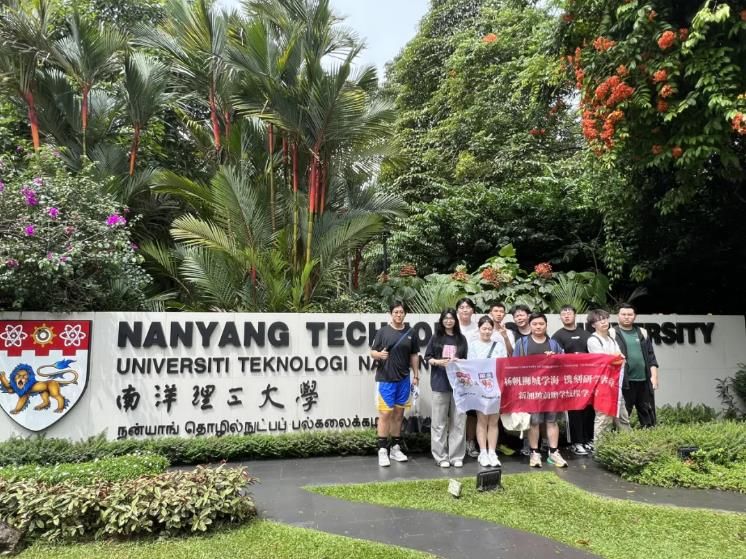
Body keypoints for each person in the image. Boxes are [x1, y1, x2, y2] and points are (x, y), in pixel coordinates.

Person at [369, 300, 420, 467]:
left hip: (404, 380)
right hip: (386, 379)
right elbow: (372, 352)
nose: (399, 315)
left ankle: (395, 448)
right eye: (396, 312)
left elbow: (414, 355)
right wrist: (379, 355)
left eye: (401, 312)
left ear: (405, 314)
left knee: (399, 415)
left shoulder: (411, 332)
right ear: (390, 314)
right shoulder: (382, 332)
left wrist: (416, 375)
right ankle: (382, 450)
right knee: (385, 414)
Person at [513, 312, 567, 468]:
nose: (538, 327)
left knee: (552, 421)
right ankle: (534, 453)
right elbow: (514, 365)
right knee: (534, 422)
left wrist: (555, 358)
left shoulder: (554, 344)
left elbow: (564, 364)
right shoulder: (521, 343)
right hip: (531, 389)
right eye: (535, 324)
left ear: (546, 325)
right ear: (530, 325)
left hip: (551, 388)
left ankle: (554, 452)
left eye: (541, 324)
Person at [424, 308, 469, 468]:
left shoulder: (461, 339)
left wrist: (459, 361)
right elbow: (428, 357)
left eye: (451, 318)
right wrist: (438, 362)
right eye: (446, 318)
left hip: (458, 386)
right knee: (439, 422)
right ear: (441, 320)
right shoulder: (436, 337)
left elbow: (466, 361)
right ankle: (440, 456)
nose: (448, 321)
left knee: (458, 421)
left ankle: (456, 456)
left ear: (455, 320)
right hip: (440, 384)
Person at [551, 305, 593, 456]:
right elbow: (556, 359)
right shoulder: (557, 336)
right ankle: (576, 442)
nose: (567, 316)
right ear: (560, 317)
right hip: (569, 382)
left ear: (575, 315)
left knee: (589, 410)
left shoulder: (587, 334)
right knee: (574, 412)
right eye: (564, 314)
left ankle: (588, 439)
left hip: (587, 380)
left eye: (569, 313)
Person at [467, 316, 507, 467]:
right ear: (479, 329)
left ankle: (492, 452)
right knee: (482, 420)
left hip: (496, 387)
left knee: (494, 421)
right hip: (480, 387)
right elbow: (471, 366)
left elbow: (503, 366)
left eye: (489, 329)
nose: (487, 331)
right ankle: (483, 452)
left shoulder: (499, 346)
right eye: (484, 328)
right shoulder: (473, 345)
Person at [586, 308, 631, 441]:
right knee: (603, 418)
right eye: (599, 320)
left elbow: (621, 358)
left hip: (615, 384)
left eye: (605, 319)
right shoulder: (593, 340)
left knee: (622, 417)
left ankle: (629, 445)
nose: (604, 322)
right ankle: (600, 448)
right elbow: (603, 361)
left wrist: (615, 358)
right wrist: (615, 358)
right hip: (603, 385)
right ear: (593, 325)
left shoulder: (611, 339)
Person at [612, 304, 659, 428]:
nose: (626, 317)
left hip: (644, 380)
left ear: (635, 316)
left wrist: (654, 377)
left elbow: (651, 357)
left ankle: (650, 434)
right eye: (623, 314)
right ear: (618, 316)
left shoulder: (642, 332)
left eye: (630, 314)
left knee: (647, 412)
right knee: (624, 412)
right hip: (624, 381)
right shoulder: (612, 333)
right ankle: (621, 437)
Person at [456, 297, 480, 458]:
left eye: (468, 307)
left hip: (473, 374)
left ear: (473, 310)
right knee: (456, 411)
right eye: (462, 307)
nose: (465, 310)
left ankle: (470, 442)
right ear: (457, 310)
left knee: (472, 412)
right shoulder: (452, 326)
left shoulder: (478, 328)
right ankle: (456, 445)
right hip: (455, 373)